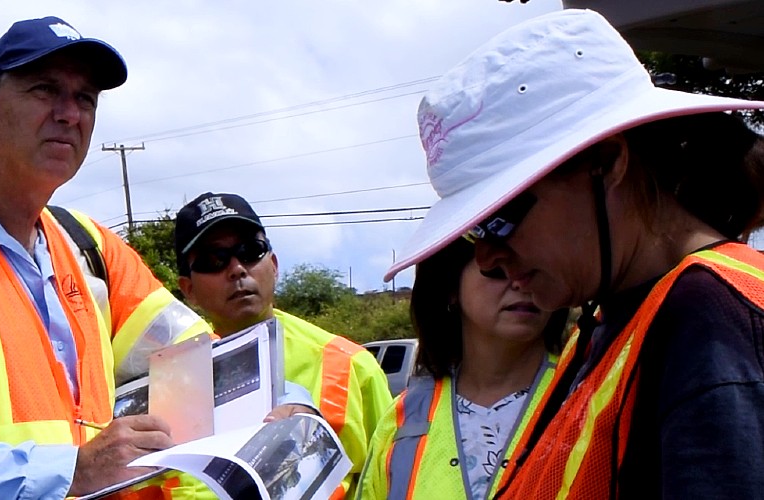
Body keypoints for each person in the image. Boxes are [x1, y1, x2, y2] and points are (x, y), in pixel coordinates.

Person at [0, 17, 307, 499]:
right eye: (45, 90)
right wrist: (74, 471)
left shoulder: (88, 247)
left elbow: (209, 364)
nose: (69, 114)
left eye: (85, 99)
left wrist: (289, 402)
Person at [382, 9, 764, 499]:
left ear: (606, 162)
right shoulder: (622, 316)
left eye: (500, 215)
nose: (487, 256)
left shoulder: (711, 327)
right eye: (477, 229)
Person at [174, 192, 395, 499]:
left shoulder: (351, 366)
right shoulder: (173, 387)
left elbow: (394, 480)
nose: (237, 269)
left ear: (274, 265)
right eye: (214, 260)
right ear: (189, 290)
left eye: (251, 251)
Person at [357, 240, 568, 499]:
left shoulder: (587, 397)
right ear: (450, 286)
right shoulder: (403, 418)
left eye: (538, 267)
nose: (522, 282)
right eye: (498, 269)